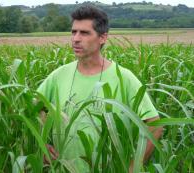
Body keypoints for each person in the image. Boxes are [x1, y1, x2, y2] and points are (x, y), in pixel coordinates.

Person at [37, 5, 163, 172]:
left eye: (84, 33)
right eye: (74, 32)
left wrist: (132, 168)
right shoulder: (59, 75)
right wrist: (43, 143)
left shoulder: (124, 78)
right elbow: (33, 108)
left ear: (102, 38)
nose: (76, 38)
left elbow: (155, 126)